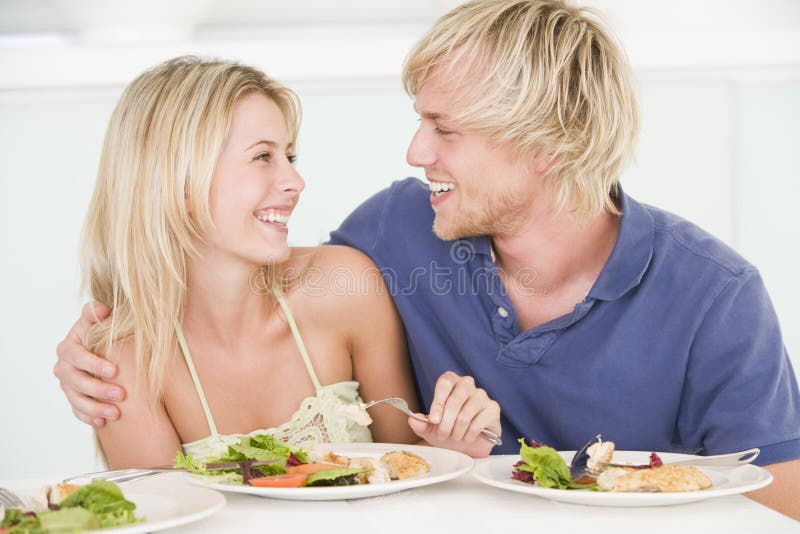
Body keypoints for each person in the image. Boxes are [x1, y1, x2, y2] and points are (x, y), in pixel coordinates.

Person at [55, 0, 799, 518]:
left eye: (445, 129)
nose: (416, 153)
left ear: (547, 147)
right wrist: (92, 351)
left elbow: (788, 499)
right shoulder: (396, 229)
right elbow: (241, 288)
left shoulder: (713, 295)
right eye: (421, 122)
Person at [65, 56, 500, 469]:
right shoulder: (121, 362)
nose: (294, 181)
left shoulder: (343, 287)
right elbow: (167, 517)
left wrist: (454, 444)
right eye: (262, 157)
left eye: (289, 157)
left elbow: (408, 468)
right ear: (177, 181)